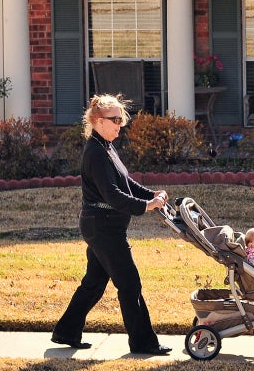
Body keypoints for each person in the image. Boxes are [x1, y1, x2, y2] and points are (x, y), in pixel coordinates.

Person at [51, 94, 172, 355]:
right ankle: (143, 342)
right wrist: (146, 206)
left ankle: (66, 331)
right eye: (115, 119)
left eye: (122, 119)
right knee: (129, 283)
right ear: (97, 121)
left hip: (103, 226)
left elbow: (126, 184)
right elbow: (113, 196)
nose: (120, 124)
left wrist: (152, 195)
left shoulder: (106, 146)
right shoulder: (95, 152)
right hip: (103, 228)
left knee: (94, 282)